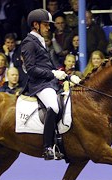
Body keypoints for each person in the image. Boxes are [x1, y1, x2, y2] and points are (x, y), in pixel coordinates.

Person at [21, 9, 80, 160]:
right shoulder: (29, 43)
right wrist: (53, 74)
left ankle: (60, 142)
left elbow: (49, 66)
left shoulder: (40, 41)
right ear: (36, 25)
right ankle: (47, 146)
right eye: (46, 24)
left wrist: (68, 77)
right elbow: (31, 69)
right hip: (39, 84)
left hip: (50, 83)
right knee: (53, 106)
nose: (49, 27)